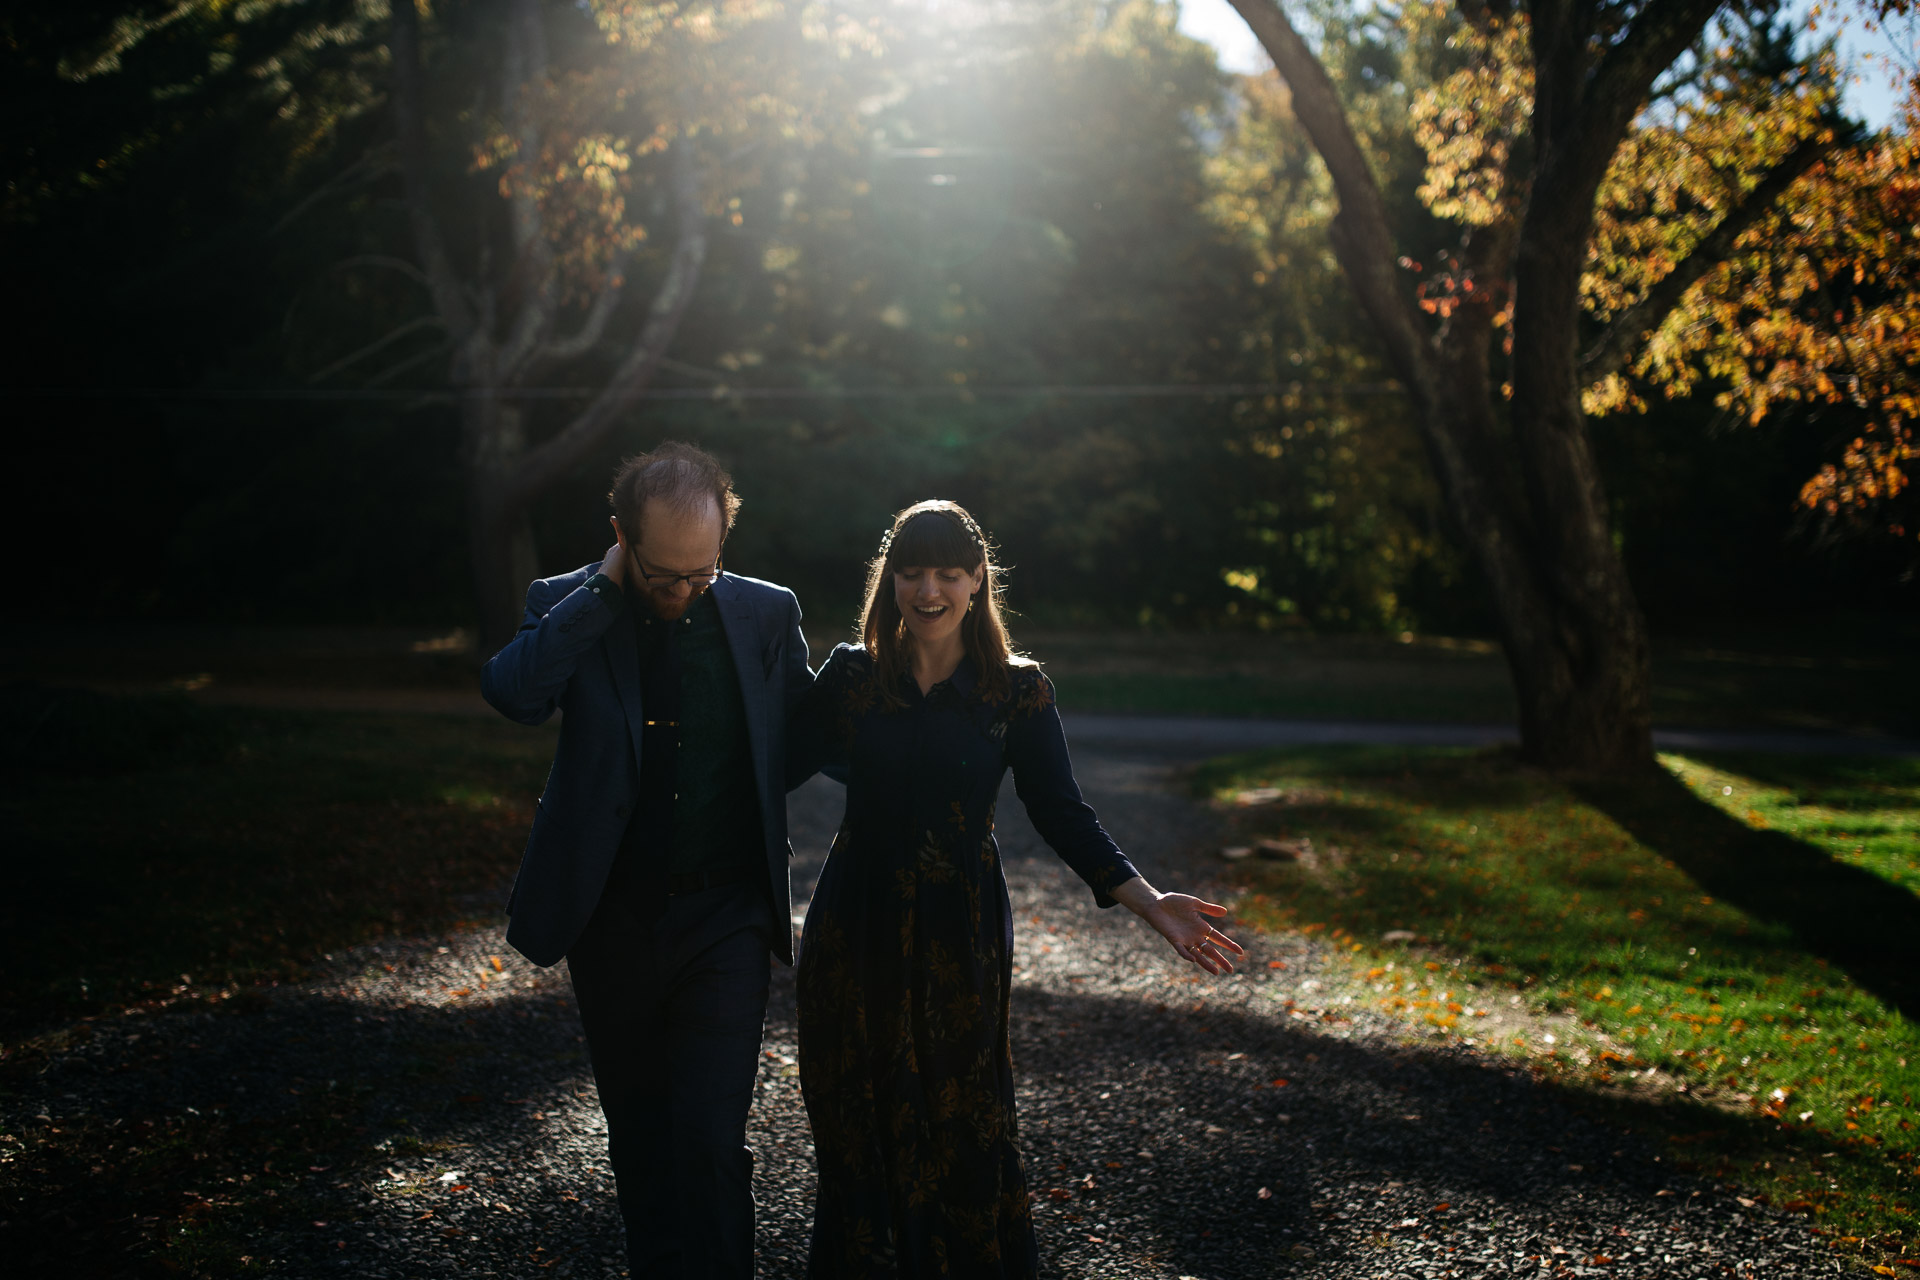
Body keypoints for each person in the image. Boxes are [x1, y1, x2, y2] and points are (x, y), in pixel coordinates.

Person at [791, 499, 1242, 1278]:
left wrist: (1149, 902)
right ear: (889, 579)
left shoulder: (1017, 692)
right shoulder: (852, 676)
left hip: (957, 930)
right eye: (911, 571)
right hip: (853, 926)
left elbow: (1063, 813)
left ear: (976, 583)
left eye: (948, 573)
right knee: (855, 1118)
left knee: (965, 1123)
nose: (927, 590)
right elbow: (763, 771)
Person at [479, 442, 814, 1280]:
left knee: (708, 1139)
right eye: (665, 573)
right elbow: (515, 694)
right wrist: (601, 593)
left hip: (726, 917)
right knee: (639, 1139)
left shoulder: (765, 613)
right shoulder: (567, 604)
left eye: (703, 572)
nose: (684, 591)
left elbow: (808, 738)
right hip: (612, 921)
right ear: (622, 537)